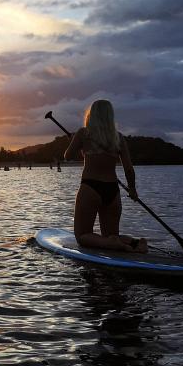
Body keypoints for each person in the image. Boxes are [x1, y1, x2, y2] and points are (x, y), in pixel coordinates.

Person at [63, 100, 147, 253]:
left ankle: (112, 243)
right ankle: (134, 242)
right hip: (112, 190)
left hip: (91, 187)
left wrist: (75, 143)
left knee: (82, 236)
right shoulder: (119, 138)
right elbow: (129, 169)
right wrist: (132, 189)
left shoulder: (83, 133)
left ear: (92, 115)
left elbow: (67, 156)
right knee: (110, 234)